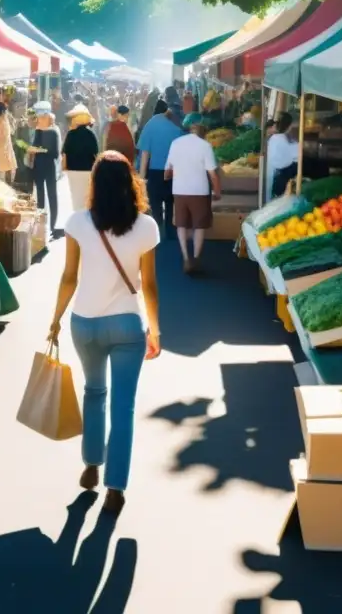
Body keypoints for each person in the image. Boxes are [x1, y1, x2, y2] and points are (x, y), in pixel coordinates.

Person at [47, 151, 161, 515]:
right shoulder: (146, 226)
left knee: (93, 393)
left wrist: (55, 318)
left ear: (94, 184)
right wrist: (155, 330)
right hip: (128, 325)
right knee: (123, 407)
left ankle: (91, 467)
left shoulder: (77, 222)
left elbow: (69, 276)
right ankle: (116, 487)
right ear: (131, 183)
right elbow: (149, 285)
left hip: (85, 322)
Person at [165, 112, 221, 274]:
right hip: (200, 191)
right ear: (202, 129)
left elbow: (167, 171)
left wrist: (171, 175)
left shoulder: (175, 144)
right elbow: (212, 174)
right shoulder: (205, 146)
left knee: (181, 224)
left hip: (180, 190)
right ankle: (195, 257)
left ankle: (185, 256)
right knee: (199, 226)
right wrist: (217, 191)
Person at [137, 100, 183, 234]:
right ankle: (169, 228)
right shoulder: (175, 126)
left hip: (155, 171)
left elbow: (145, 153)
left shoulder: (150, 125)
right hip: (172, 171)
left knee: (155, 202)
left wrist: (141, 178)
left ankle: (157, 228)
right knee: (170, 201)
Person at [31, 103, 62, 237]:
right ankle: (44, 226)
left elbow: (53, 152)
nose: (40, 120)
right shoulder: (43, 131)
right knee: (45, 196)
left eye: (43, 118)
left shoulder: (51, 132)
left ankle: (49, 226)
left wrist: (41, 151)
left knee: (48, 196)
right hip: (44, 166)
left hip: (44, 166)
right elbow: (37, 148)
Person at [62, 103, 100, 211]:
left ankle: (76, 216)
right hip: (88, 170)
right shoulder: (91, 134)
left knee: (75, 196)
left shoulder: (70, 134)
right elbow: (96, 154)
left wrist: (64, 167)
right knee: (86, 197)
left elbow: (65, 153)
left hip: (73, 170)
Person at [265, 112, 300, 201]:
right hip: (279, 181)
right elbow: (297, 156)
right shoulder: (282, 140)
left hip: (274, 179)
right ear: (290, 126)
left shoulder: (274, 139)